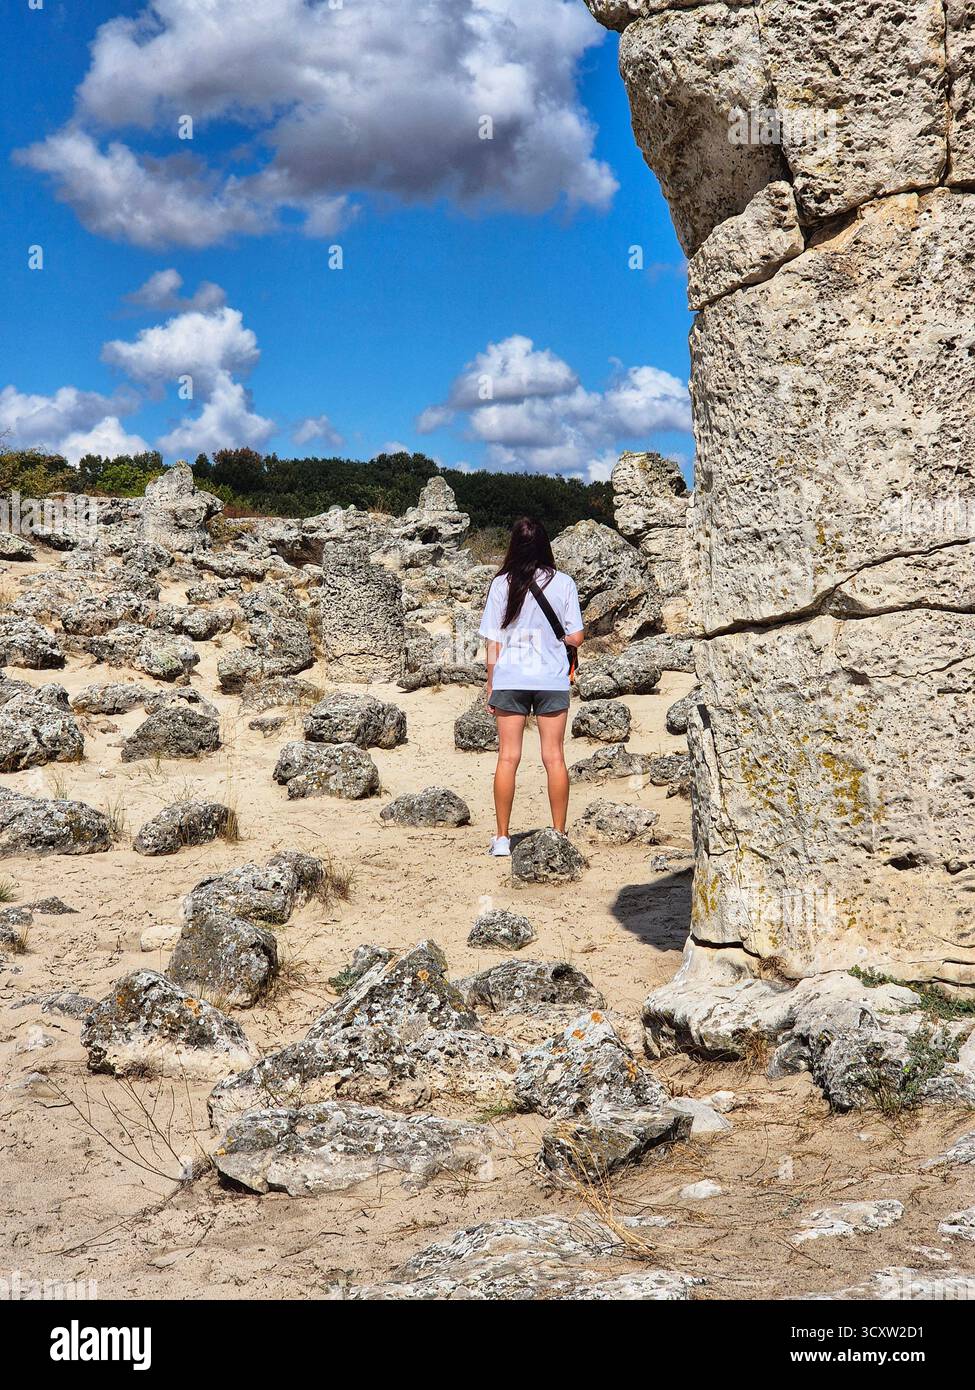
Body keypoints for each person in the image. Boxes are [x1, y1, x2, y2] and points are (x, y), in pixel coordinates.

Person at [477, 516, 584, 856]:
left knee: (508, 758)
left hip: (510, 677)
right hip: (551, 678)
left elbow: (493, 642)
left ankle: (502, 838)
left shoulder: (501, 584)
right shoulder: (564, 583)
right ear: (545, 545)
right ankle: (558, 834)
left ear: (513, 546)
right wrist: (557, 642)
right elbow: (577, 637)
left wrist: (491, 684)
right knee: (554, 757)